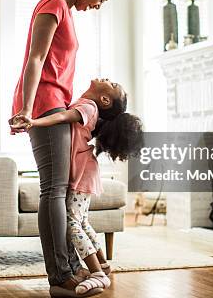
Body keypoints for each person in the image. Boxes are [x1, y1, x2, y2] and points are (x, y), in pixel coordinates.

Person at [9, 0, 121, 297]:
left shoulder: (65, 11)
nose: (99, 5)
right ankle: (60, 274)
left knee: (57, 190)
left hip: (53, 103)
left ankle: (68, 267)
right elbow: (36, 58)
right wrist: (27, 110)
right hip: (43, 105)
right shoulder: (54, 2)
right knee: (54, 191)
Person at [12, 78, 144, 295]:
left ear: (104, 99)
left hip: (82, 172)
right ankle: (102, 263)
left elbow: (63, 116)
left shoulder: (89, 107)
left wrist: (34, 122)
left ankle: (96, 272)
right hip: (86, 171)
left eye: (113, 85)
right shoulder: (89, 106)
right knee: (81, 220)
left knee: (73, 222)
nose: (108, 80)